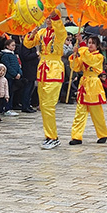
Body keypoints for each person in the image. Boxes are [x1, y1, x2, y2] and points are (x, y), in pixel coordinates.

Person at [22, 11, 67, 149]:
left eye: (51, 17)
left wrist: (56, 17)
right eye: (47, 17)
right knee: (43, 105)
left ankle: (52, 136)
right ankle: (49, 135)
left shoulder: (60, 33)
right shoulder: (41, 33)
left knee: (48, 104)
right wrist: (32, 33)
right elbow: (28, 44)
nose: (48, 20)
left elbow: (60, 29)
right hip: (42, 70)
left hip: (54, 69)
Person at [68, 35, 107, 145]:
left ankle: (103, 133)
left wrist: (81, 44)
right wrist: (75, 56)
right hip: (84, 84)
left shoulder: (99, 57)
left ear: (97, 46)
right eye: (88, 42)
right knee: (80, 112)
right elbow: (76, 67)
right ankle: (76, 136)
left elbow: (90, 60)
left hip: (94, 84)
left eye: (92, 43)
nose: (90, 45)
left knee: (96, 113)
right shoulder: (84, 54)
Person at [0, 38, 22, 116]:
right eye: (12, 45)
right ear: (7, 46)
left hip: (14, 77)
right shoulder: (5, 55)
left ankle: (10, 107)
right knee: (7, 93)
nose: (14, 47)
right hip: (9, 77)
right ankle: (6, 108)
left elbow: (17, 65)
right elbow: (8, 66)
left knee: (11, 92)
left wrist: (19, 73)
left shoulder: (13, 54)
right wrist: (14, 74)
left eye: (14, 45)